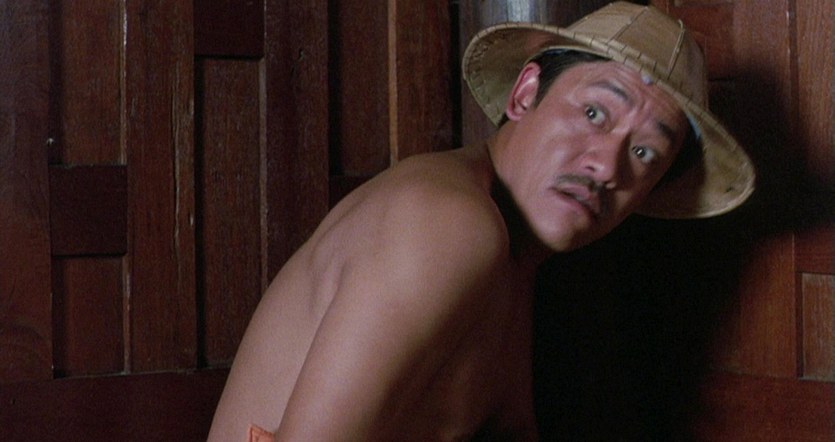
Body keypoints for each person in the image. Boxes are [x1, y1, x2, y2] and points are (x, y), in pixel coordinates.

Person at [207, 2, 755, 441]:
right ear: (524, 93)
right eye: (593, 113)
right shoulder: (450, 224)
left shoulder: (513, 259)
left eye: (644, 154)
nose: (606, 168)